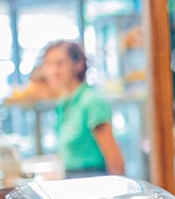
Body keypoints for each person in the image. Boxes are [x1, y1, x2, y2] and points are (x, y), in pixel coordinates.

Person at [41, 40, 125, 178]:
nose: (53, 71)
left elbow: (115, 161)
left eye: (60, 63)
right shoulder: (63, 103)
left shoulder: (91, 101)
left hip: (94, 185)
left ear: (78, 65)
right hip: (73, 183)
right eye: (49, 64)